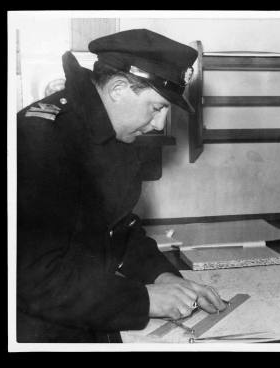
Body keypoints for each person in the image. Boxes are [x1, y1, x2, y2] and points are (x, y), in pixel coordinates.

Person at [17, 29, 227, 343]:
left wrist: (163, 277)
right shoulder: (43, 139)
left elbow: (119, 231)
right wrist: (145, 300)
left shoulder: (108, 131)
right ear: (118, 89)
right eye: (157, 108)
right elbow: (34, 278)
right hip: (36, 327)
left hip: (84, 309)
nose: (158, 124)